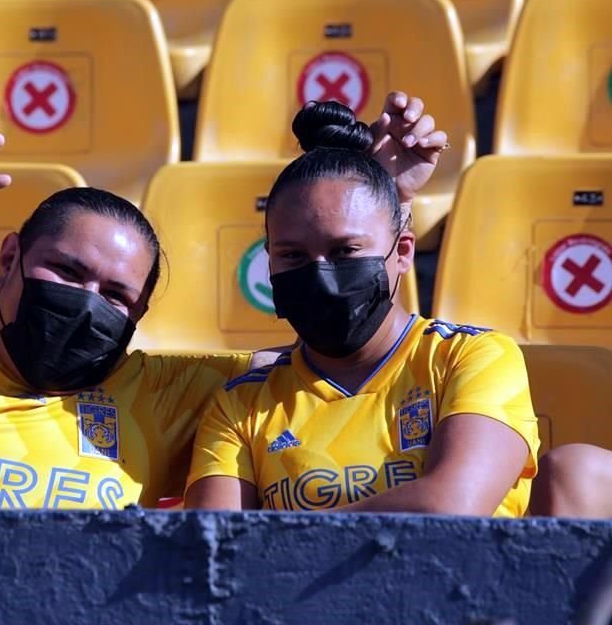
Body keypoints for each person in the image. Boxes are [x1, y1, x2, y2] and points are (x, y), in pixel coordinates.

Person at [0, 92, 440, 511]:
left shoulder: (167, 393)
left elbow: (343, 349)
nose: (89, 303)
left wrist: (376, 206)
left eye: (118, 295)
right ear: (10, 260)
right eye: (68, 271)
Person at [185, 100, 541, 517]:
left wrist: (278, 535)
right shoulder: (240, 404)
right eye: (293, 256)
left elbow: (451, 508)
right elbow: (217, 549)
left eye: (346, 250)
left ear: (403, 251)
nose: (320, 275)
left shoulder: (469, 358)